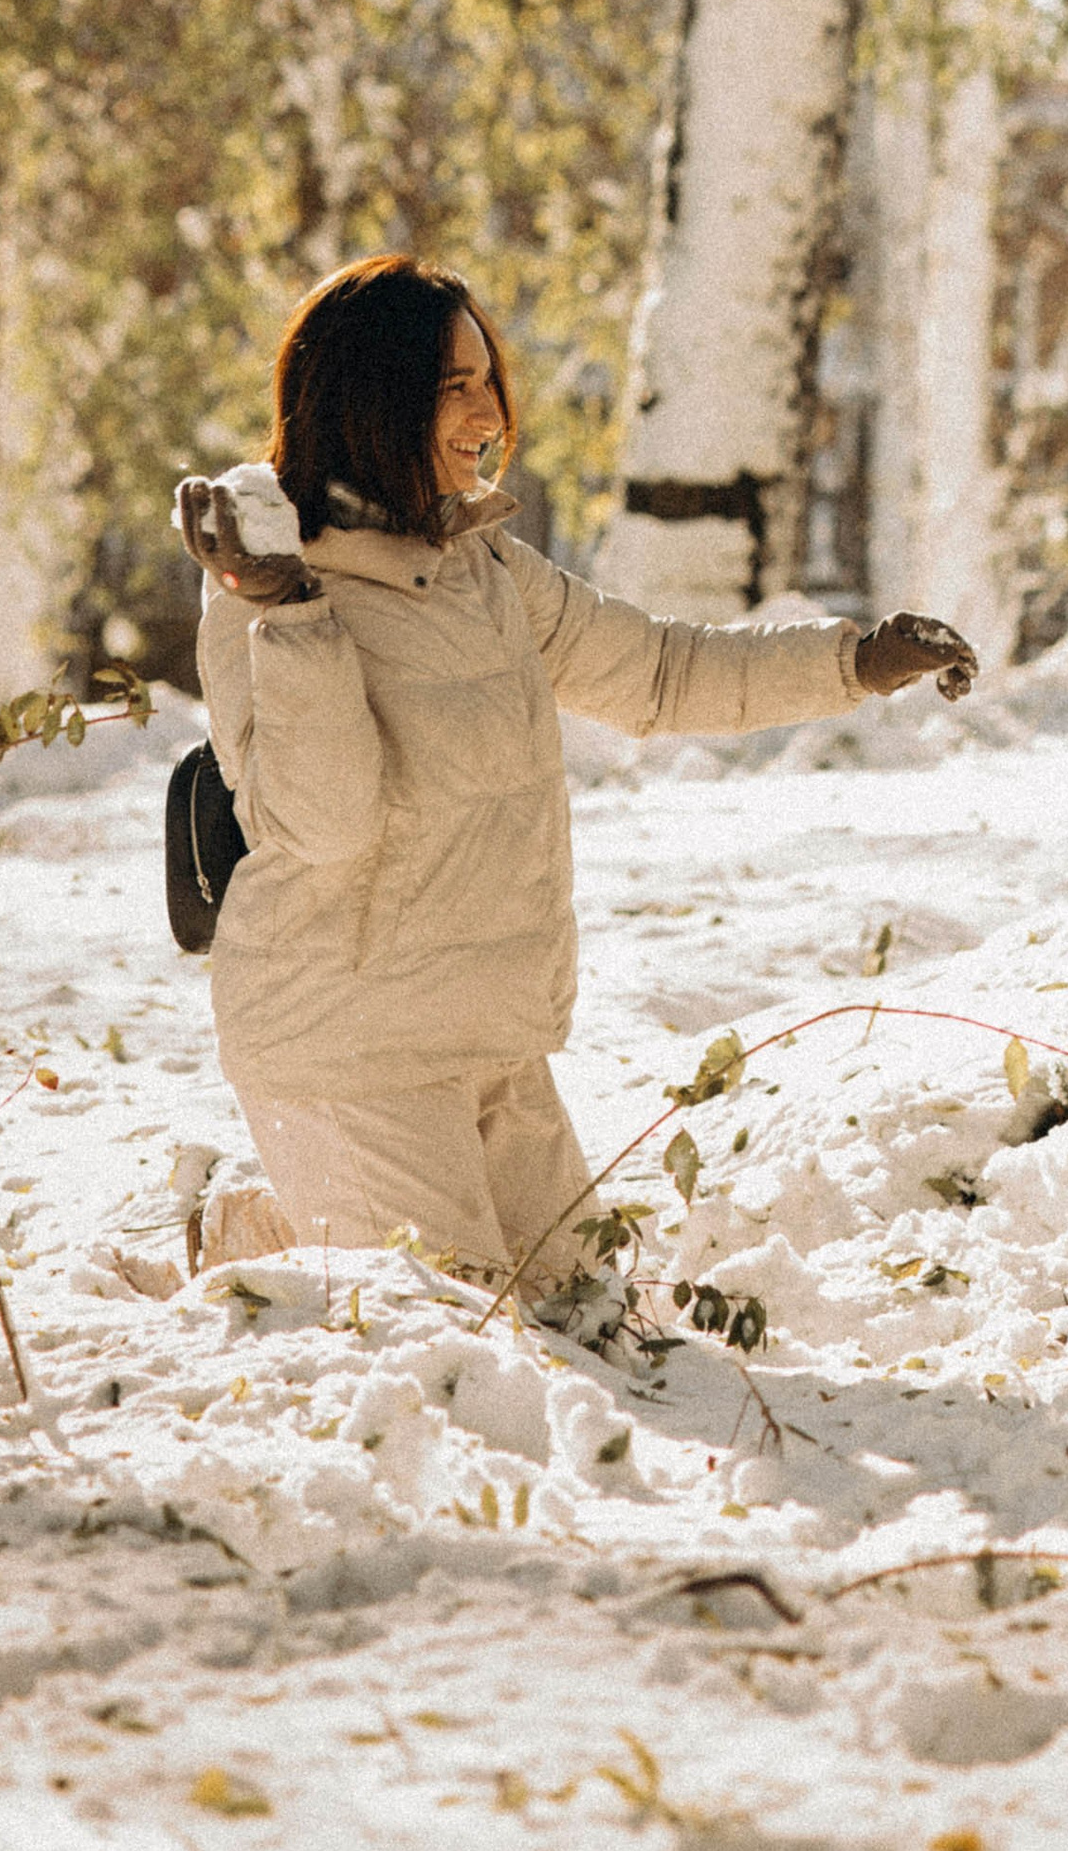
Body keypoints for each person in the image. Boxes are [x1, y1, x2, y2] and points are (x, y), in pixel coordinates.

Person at [173, 254, 976, 1298]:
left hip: (484, 1029)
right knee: (464, 1325)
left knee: (592, 1315)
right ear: (372, 398)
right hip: (343, 1043)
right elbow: (325, 824)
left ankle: (282, 1221)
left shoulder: (483, 568)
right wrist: (292, 614)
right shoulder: (267, 601)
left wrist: (853, 661)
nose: (490, 410)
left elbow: (659, 671)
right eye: (452, 385)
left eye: (488, 378)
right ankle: (253, 1238)